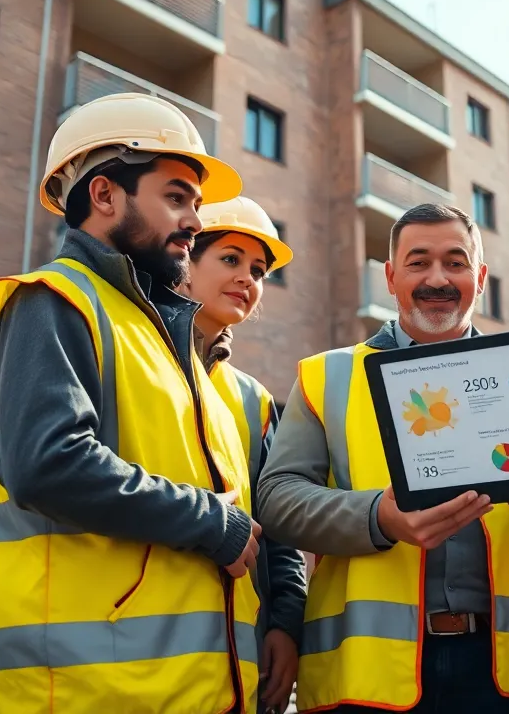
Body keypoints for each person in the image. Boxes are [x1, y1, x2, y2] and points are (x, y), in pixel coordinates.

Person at [0, 92, 265, 714]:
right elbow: (50, 462)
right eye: (176, 198)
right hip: (78, 692)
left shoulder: (159, 336)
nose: (193, 222)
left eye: (196, 205)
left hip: (179, 692)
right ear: (104, 196)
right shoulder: (52, 301)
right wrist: (215, 522)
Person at [256, 203, 509, 714]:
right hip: (364, 682)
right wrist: (378, 517)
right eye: (418, 262)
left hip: (505, 679)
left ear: (481, 276)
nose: (437, 278)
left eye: (455, 262)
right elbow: (276, 501)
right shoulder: (326, 377)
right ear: (390, 276)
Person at [181, 196, 307, 714]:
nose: (247, 279)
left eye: (257, 270)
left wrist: (285, 622)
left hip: (236, 652)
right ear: (183, 261)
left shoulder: (252, 399)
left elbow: (277, 527)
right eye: (230, 260)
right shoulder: (136, 359)